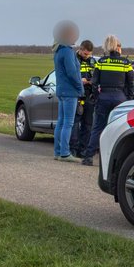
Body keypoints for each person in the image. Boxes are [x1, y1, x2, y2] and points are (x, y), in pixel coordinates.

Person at [82, 35, 134, 166]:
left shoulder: (101, 62)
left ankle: (88, 157)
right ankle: (118, 160)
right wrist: (128, 98)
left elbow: (94, 82)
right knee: (120, 129)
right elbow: (131, 83)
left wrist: (96, 96)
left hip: (104, 97)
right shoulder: (125, 63)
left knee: (97, 128)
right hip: (120, 98)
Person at [51, 20, 82, 161]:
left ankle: (58, 152)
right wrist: (79, 87)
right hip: (70, 91)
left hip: (61, 90)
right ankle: (65, 152)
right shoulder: (68, 52)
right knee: (68, 122)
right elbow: (72, 72)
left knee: (61, 121)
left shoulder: (58, 51)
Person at [70, 39, 96, 157]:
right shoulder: (73, 60)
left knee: (88, 124)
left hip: (89, 95)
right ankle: (73, 149)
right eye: (85, 53)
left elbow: (96, 76)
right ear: (80, 50)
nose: (87, 56)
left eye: (89, 54)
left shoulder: (92, 61)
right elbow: (69, 77)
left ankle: (83, 150)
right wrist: (80, 81)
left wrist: (92, 81)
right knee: (75, 123)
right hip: (76, 95)